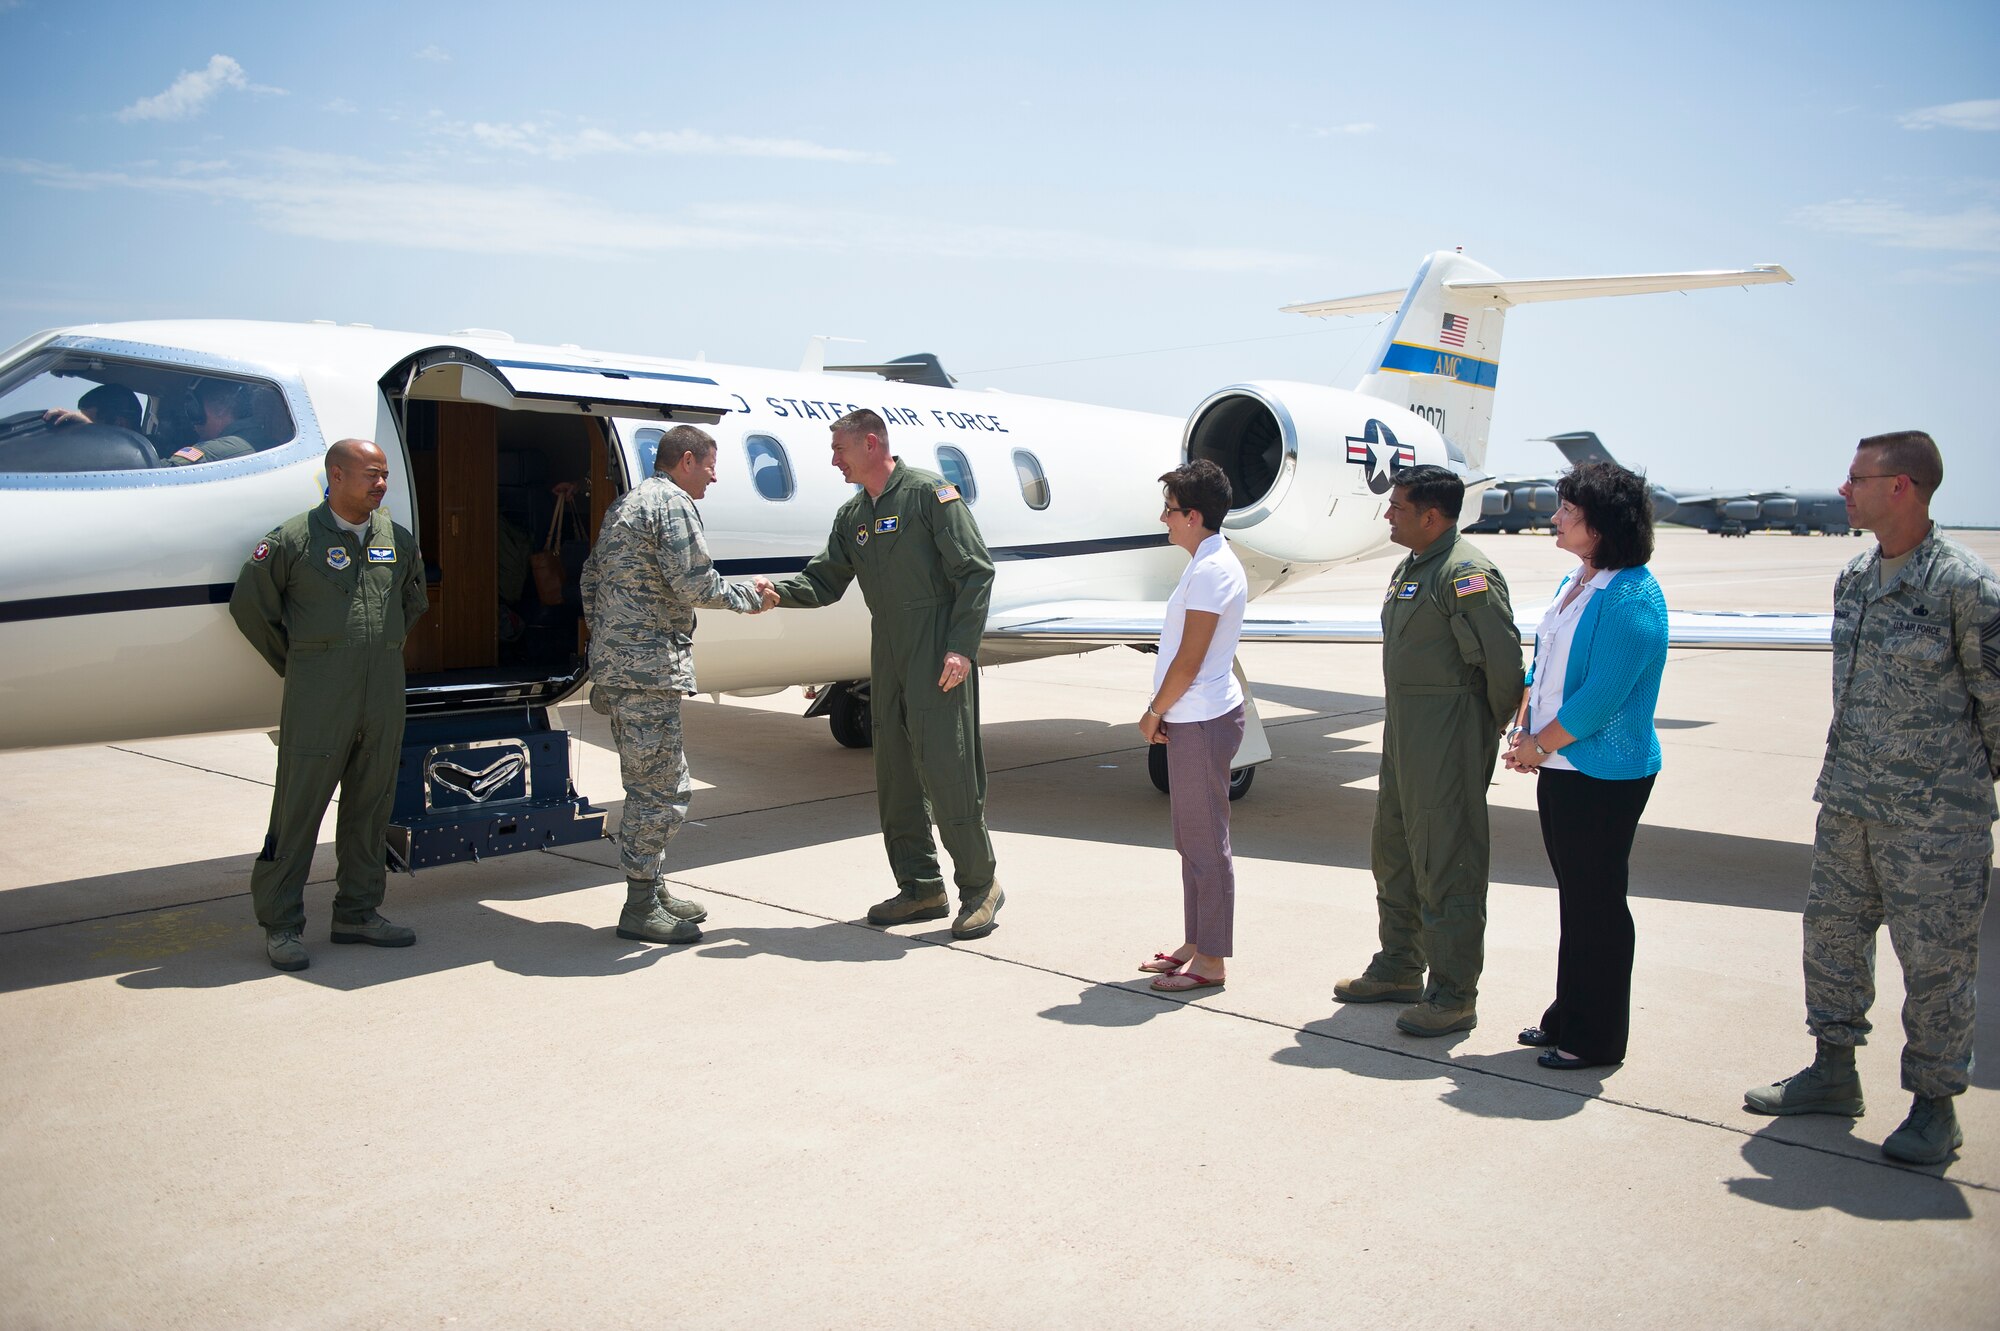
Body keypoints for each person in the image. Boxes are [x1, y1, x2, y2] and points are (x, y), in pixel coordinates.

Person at [1745, 431, 1998, 1166]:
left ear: (1904, 487)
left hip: (1935, 821)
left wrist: (1956, 789)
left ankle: (1935, 1106)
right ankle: (1832, 1071)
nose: (1844, 488)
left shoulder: (1965, 586)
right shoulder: (1853, 578)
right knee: (1830, 941)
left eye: (1859, 478)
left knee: (1937, 965)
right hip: (1850, 802)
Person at [764, 409, 1004, 940]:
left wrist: (961, 648)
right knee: (894, 772)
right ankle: (921, 887)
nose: (833, 460)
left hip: (937, 647)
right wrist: (775, 592)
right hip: (888, 651)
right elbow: (824, 581)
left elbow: (976, 571)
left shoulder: (928, 495)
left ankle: (980, 886)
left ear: (871, 444)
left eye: (839, 449)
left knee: (948, 768)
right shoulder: (853, 516)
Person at [1334, 464, 1524, 1036]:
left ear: (1432, 516)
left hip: (1448, 732)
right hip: (1407, 732)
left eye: (1398, 506)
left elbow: (1503, 665)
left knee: (1448, 858)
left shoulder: (1466, 574)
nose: (1388, 513)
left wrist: (1477, 732)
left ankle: (1453, 993)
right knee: (1393, 848)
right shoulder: (1415, 566)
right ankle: (1398, 965)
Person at [229, 439, 428, 972]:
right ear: (335, 475)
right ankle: (281, 924)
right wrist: (307, 663)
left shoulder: (397, 539)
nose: (381, 483)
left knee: (371, 806)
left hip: (382, 692)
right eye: (370, 474)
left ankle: (358, 913)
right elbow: (250, 606)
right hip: (319, 696)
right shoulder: (294, 539)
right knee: (299, 810)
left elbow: (414, 600)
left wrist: (376, 653)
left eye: (384, 474)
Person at [1502, 462, 1668, 1071]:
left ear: (1599, 526)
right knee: (1577, 899)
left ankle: (1596, 1039)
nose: (1555, 518)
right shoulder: (1579, 580)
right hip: (1564, 765)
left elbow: (1603, 694)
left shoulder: (1632, 595)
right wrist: (1526, 727)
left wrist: (1541, 744)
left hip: (1603, 773)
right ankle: (1567, 1016)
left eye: (1566, 511)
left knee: (1597, 905)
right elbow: (1544, 663)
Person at [580, 425, 771, 944]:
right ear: (686, 460)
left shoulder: (627, 505)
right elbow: (694, 582)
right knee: (661, 789)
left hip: (623, 667)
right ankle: (640, 904)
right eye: (710, 464)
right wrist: (752, 597)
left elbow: (590, 579)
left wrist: (610, 645)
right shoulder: (673, 504)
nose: (714, 475)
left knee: (648, 781)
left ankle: (653, 886)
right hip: (648, 672)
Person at [1135, 459, 1249, 993]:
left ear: (1194, 515)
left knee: (1206, 842)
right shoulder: (1204, 562)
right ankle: (1197, 941)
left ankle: (1212, 961)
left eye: (1171, 510)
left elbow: (1189, 658)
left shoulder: (1212, 571)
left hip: (1200, 719)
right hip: (1193, 716)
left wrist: (1155, 710)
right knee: (1191, 838)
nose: (1164, 518)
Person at [164, 378, 258, 466]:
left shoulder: (229, 447)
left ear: (221, 404)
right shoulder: (254, 435)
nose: (191, 417)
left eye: (193, 407)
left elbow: (166, 470)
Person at [43, 384, 143, 432]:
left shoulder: (142, 462)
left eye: (91, 421)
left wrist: (89, 429)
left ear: (120, 423)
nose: (81, 428)